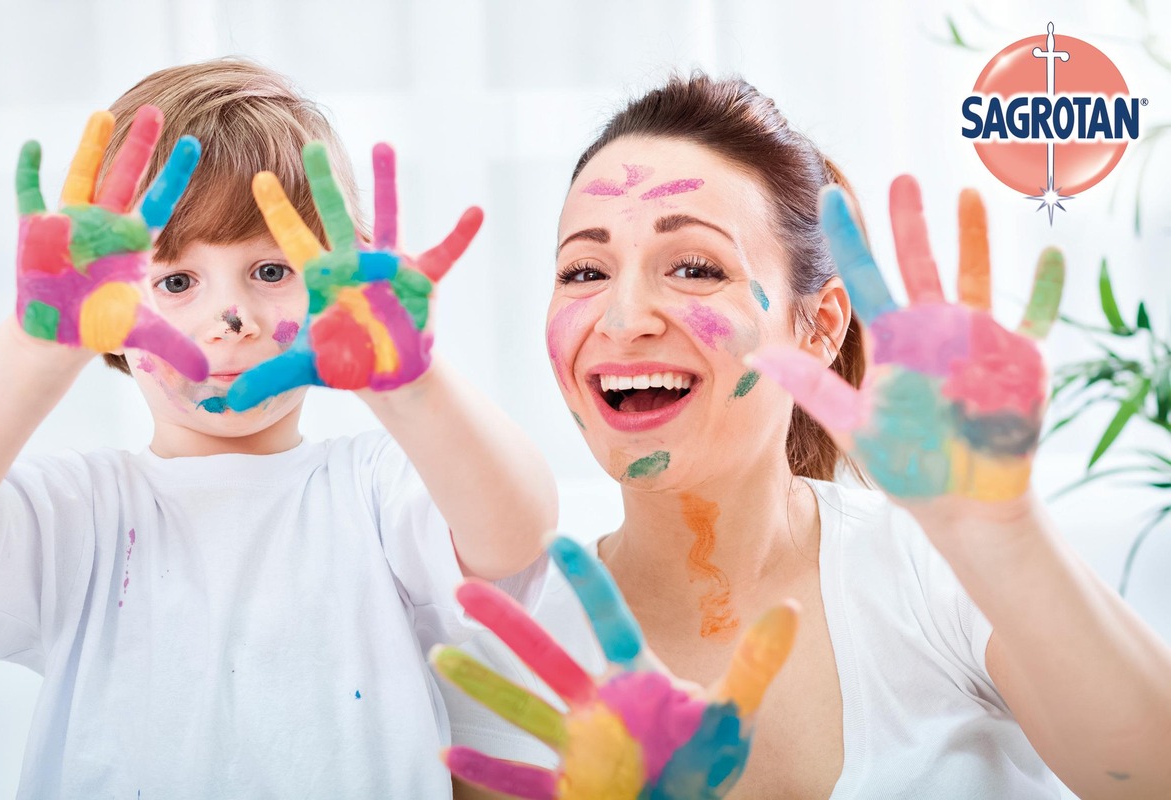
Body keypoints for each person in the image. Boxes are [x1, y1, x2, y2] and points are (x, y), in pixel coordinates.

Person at [439, 74, 1171, 799]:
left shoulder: (932, 569)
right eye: (584, 270)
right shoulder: (510, 664)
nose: (624, 317)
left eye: (695, 267)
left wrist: (999, 529)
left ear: (820, 325)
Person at [0, 58, 557, 798]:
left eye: (273, 271)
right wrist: (39, 343)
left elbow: (518, 533)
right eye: (177, 281)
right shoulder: (78, 512)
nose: (233, 317)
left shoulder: (374, 489)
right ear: (111, 310)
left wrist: (412, 386)